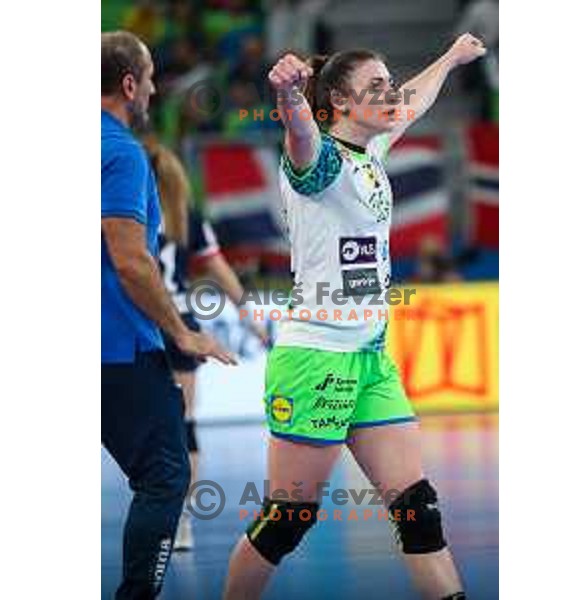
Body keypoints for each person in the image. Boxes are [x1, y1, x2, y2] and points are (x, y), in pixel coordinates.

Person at [223, 34, 486, 600]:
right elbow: (299, 135)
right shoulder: (318, 166)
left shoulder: (374, 150)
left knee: (418, 510)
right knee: (287, 520)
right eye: (375, 87)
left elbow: (412, 99)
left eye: (388, 81)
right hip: (317, 358)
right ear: (340, 103)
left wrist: (451, 57)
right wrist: (291, 97)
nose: (389, 93)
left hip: (370, 359)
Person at [101, 31, 236, 599]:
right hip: (117, 345)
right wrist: (181, 332)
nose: (155, 89)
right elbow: (130, 260)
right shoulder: (120, 151)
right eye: (151, 77)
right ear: (129, 84)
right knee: (165, 475)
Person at [143, 136, 270, 551]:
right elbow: (218, 268)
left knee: (152, 425)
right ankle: (181, 521)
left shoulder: (123, 210)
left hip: (141, 318)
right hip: (181, 317)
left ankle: (163, 512)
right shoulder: (187, 216)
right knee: (184, 424)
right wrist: (249, 312)